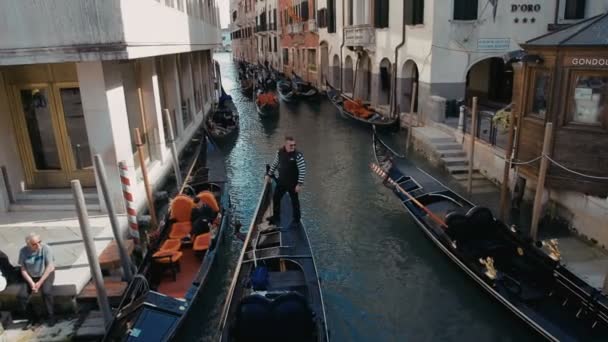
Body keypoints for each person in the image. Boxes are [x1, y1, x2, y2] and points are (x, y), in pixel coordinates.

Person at [265, 136, 306, 225]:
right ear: (286, 145)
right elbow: (275, 164)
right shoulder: (279, 152)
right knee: (276, 198)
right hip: (282, 182)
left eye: (294, 145)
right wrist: (269, 174)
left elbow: (302, 170)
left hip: (293, 184)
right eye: (291, 145)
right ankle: (276, 217)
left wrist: (299, 184)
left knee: (295, 202)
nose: (293, 147)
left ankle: (296, 220)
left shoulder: (298, 155)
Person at [17, 233, 56, 327]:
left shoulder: (46, 248)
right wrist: (31, 283)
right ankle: (32, 318)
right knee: (22, 296)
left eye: (39, 242)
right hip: (31, 276)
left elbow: (49, 267)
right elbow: (23, 269)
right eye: (34, 244)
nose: (38, 245)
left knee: (46, 292)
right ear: (28, 244)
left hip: (46, 274)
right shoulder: (23, 251)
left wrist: (39, 283)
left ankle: (51, 316)